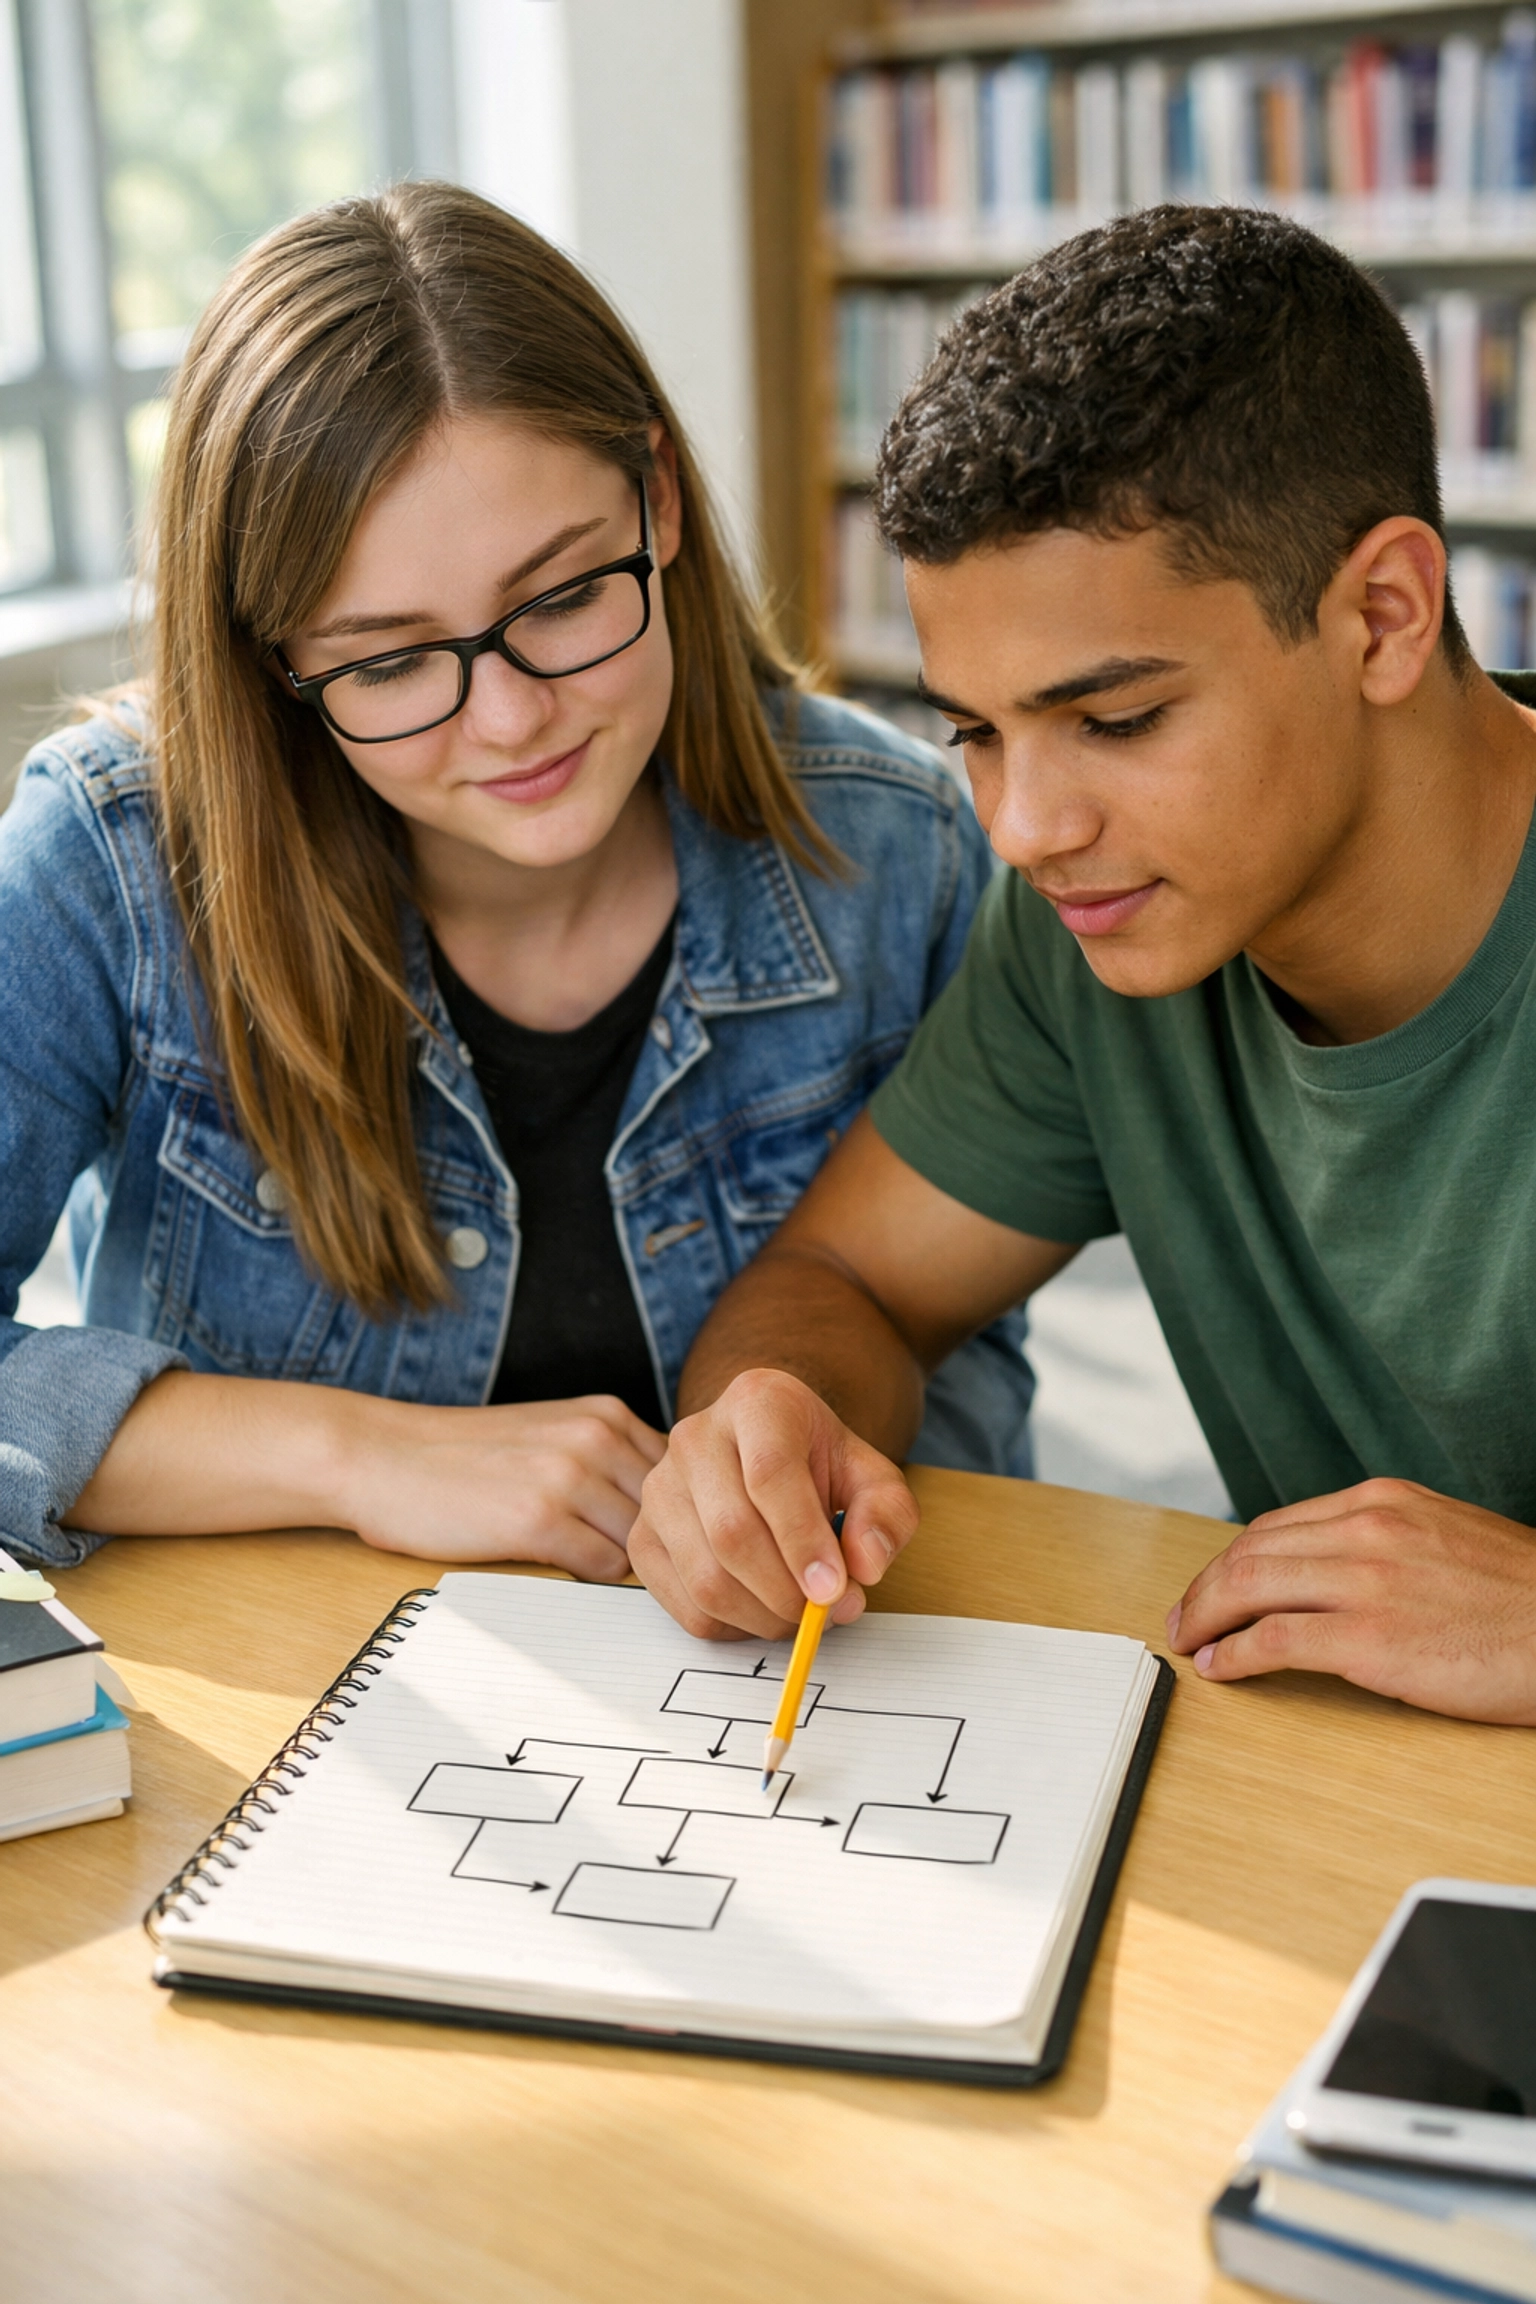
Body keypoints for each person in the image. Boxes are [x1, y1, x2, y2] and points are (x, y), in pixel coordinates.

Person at [0, 180, 1032, 1576]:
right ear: (274, 663)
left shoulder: (902, 848)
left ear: (657, 500)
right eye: (387, 661)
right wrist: (356, 1455)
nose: (510, 721)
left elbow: (964, 1368)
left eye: (559, 600)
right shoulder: (108, 865)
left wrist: (812, 1480)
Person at [629, 203, 1536, 1729]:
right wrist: (767, 1422)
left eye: (1115, 721)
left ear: (1383, 615)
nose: (1028, 828)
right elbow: (846, 1278)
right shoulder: (1101, 926)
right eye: (975, 732)